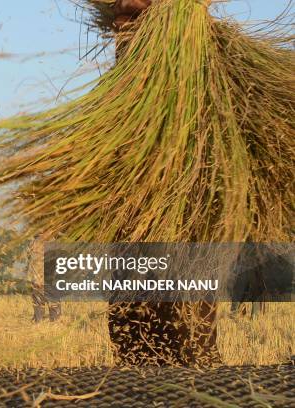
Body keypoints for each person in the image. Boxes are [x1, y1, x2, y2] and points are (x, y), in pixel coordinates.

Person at [107, 0, 221, 366]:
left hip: (183, 223)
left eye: (134, 17)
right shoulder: (120, 104)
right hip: (133, 220)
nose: (123, 23)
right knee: (130, 332)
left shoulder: (197, 80)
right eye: (122, 19)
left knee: (190, 334)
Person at [27, 234, 61, 323]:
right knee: (53, 299)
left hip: (36, 277)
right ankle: (54, 321)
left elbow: (29, 257)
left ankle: (38, 321)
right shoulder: (52, 241)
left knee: (38, 300)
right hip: (48, 278)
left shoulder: (33, 242)